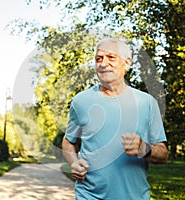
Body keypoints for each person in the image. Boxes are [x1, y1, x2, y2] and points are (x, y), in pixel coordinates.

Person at [62, 38, 169, 199]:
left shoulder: (146, 103)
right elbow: (68, 141)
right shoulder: (81, 101)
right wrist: (74, 163)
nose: (103, 63)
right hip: (89, 195)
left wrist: (144, 149)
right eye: (99, 59)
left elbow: (163, 154)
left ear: (126, 63)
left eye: (111, 57)